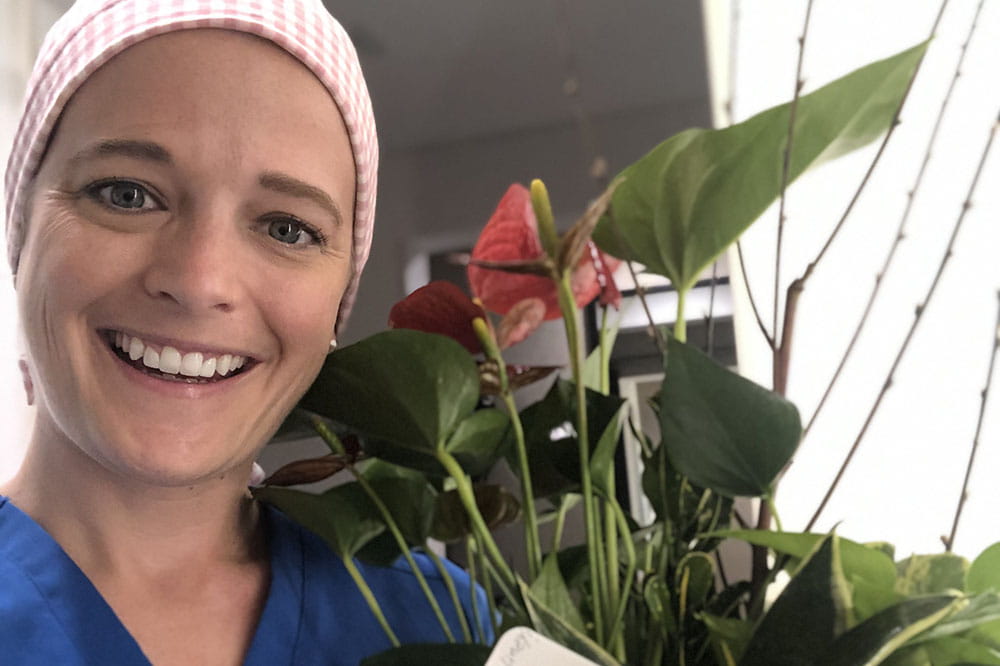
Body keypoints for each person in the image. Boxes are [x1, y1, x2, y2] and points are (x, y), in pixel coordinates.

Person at [0, 1, 487, 663]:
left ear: (340, 299)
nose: (201, 281)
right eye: (125, 193)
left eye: (287, 229)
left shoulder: (443, 623)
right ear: (21, 233)